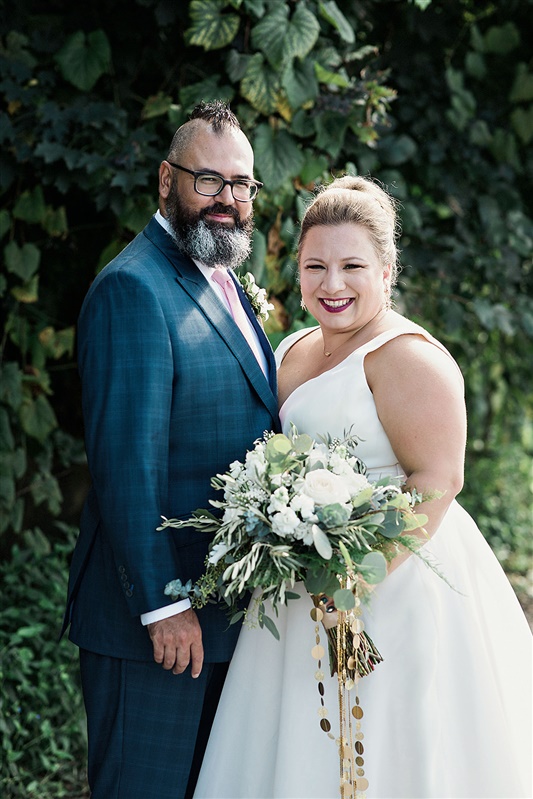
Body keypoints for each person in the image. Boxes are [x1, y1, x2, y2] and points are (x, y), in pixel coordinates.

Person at [193, 175, 532, 798]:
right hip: (300, 585)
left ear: (386, 269)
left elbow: (438, 478)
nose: (333, 284)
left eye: (352, 265)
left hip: (392, 585)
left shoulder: (408, 357)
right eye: (315, 265)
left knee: (391, 748)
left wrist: (357, 581)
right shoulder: (293, 349)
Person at [61, 101, 280, 799]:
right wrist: (163, 606)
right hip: (155, 626)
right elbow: (125, 462)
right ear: (165, 180)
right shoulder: (133, 287)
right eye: (207, 180)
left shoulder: (221, 277)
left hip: (221, 617)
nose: (226, 200)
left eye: (240, 184)